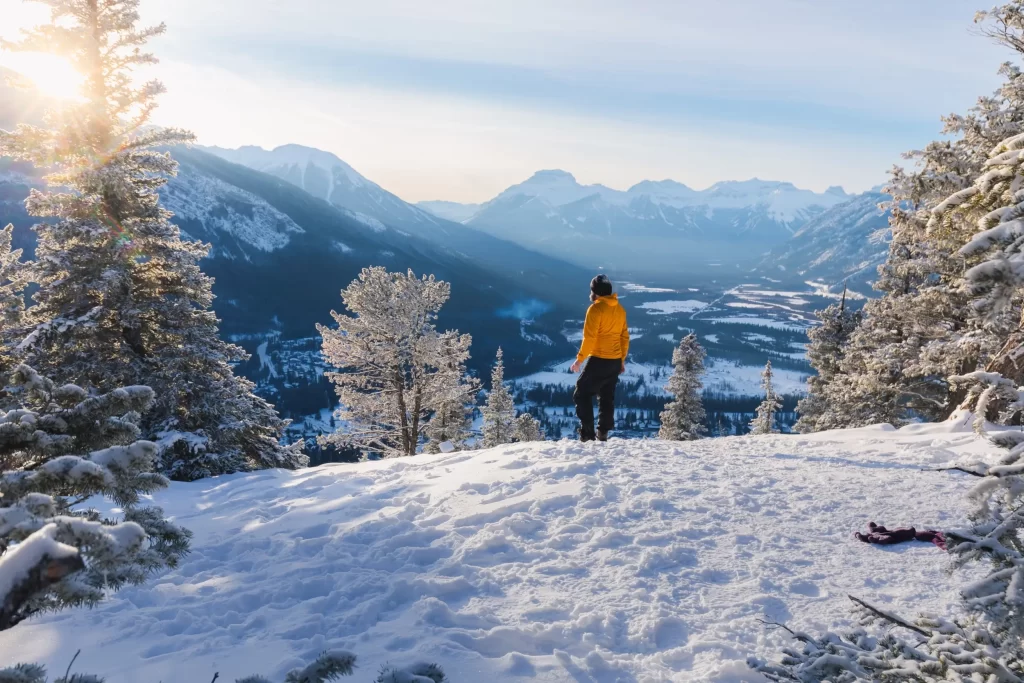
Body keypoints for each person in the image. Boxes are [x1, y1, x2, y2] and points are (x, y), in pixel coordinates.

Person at [570, 274, 629, 442]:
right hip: (615, 360)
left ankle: (587, 435)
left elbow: (590, 338)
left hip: (599, 359)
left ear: (595, 292)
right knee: (606, 395)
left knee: (581, 393)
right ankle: (603, 432)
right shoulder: (619, 309)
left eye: (592, 290)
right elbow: (624, 337)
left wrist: (579, 360)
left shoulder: (595, 309)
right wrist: (621, 359)